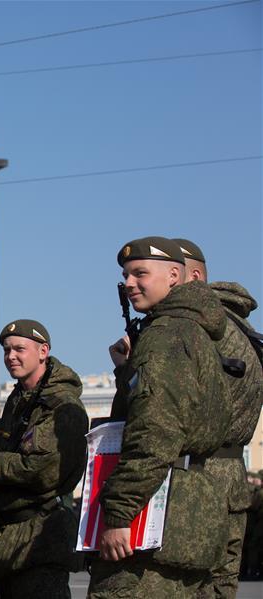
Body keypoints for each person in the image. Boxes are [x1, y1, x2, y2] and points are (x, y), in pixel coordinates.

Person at [88, 237, 231, 597]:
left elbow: (154, 432)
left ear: (173, 276)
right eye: (126, 275)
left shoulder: (165, 336)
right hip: (189, 513)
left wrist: (120, 513)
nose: (130, 283)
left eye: (140, 273)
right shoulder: (196, 331)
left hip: (153, 521)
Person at [0, 319, 87, 599]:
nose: (11, 356)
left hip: (40, 539)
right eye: (7, 350)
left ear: (43, 351)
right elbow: (4, 452)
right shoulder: (19, 400)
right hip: (13, 539)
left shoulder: (61, 404)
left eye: (19, 349)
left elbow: (40, 470)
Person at [172, 238, 263, 599]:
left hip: (195, 480)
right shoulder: (239, 328)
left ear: (192, 276)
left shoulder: (199, 328)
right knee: (220, 588)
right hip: (230, 479)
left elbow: (170, 410)